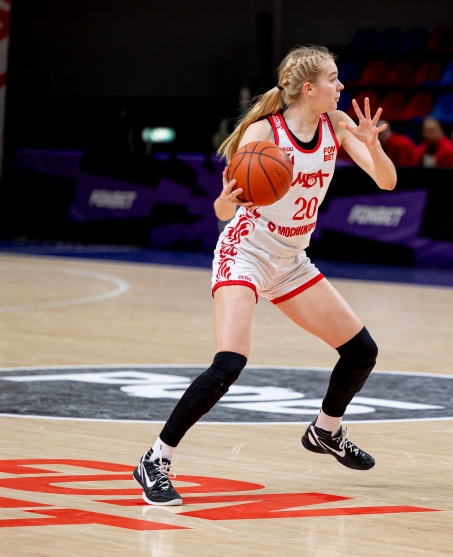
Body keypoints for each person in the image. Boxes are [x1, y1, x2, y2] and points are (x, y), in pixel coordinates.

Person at [133, 45, 397, 506]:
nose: (341, 86)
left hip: (291, 260)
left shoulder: (336, 124)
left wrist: (373, 146)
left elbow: (387, 181)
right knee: (229, 363)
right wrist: (227, 201)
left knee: (361, 352)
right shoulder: (263, 133)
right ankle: (155, 458)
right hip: (246, 252)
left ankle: (325, 431)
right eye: (333, 78)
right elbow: (223, 210)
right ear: (309, 88)